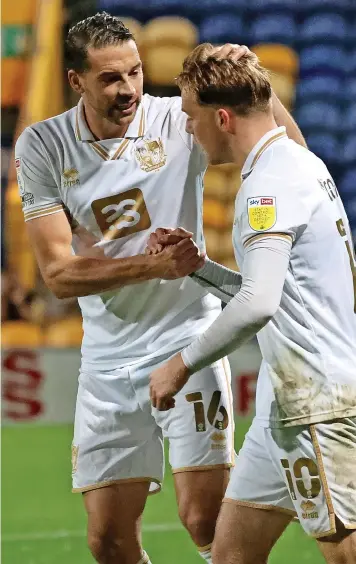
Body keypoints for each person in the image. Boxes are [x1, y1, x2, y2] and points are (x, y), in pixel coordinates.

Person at [15, 12, 306, 564]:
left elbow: (286, 154)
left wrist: (255, 81)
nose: (128, 89)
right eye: (110, 78)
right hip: (106, 359)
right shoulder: (44, 146)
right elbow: (56, 272)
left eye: (135, 72)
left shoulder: (178, 120)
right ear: (76, 81)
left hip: (189, 339)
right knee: (108, 540)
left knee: (204, 521)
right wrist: (155, 267)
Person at [149, 44, 356, 564]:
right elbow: (273, 292)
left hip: (316, 403)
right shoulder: (298, 161)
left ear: (222, 117)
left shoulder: (267, 187)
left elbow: (259, 303)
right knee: (231, 556)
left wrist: (180, 363)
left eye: (192, 119)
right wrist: (199, 267)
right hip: (281, 408)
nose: (189, 131)